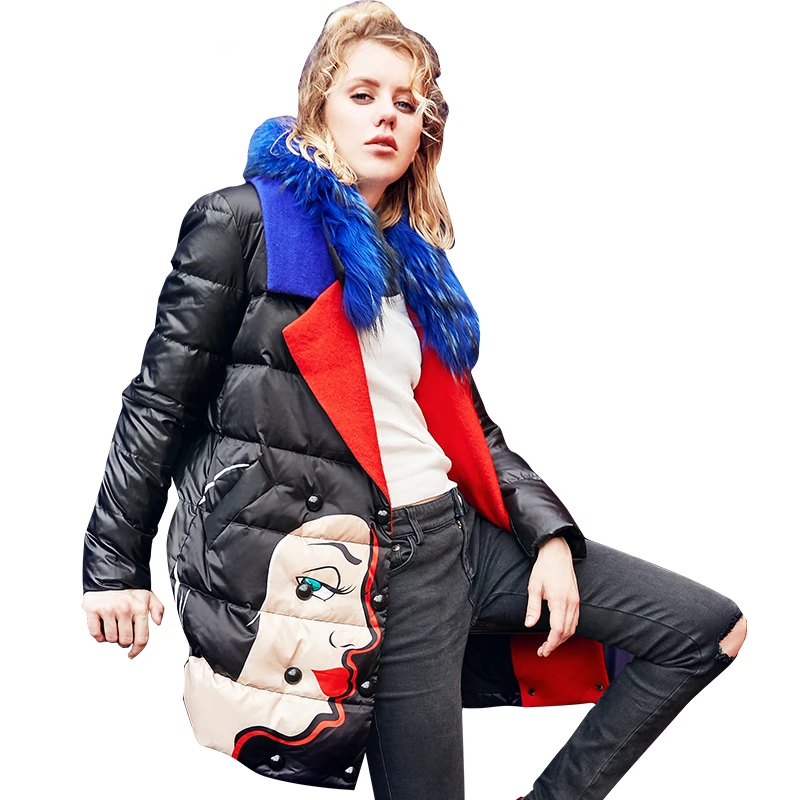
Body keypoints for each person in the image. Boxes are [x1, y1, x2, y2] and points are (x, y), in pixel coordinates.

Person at [81, 2, 747, 799]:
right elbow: (160, 402)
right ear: (319, 105)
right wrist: (112, 567)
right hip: (363, 571)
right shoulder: (244, 224)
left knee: (706, 630)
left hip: (458, 539)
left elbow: (471, 431)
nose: (387, 116)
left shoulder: (413, 262)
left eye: (407, 103)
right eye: (363, 94)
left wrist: (549, 536)